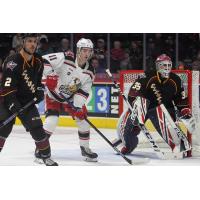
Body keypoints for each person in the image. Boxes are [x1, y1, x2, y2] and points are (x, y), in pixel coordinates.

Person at [117, 54, 193, 155]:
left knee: (166, 120)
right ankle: (128, 144)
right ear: (157, 66)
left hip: (164, 110)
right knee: (129, 128)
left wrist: (184, 109)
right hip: (144, 108)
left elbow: (181, 99)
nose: (166, 68)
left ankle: (177, 145)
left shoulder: (176, 80)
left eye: (168, 65)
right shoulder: (147, 76)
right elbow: (133, 93)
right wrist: (136, 106)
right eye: (163, 65)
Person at [0, 33, 58, 166]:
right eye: (29, 41)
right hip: (8, 99)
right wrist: (13, 105)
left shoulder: (38, 60)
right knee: (3, 130)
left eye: (35, 41)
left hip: (27, 102)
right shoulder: (12, 62)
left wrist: (39, 89)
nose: (33, 44)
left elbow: (38, 81)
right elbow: (7, 88)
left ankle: (46, 157)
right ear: (23, 42)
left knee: (37, 129)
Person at [37, 38, 98, 162]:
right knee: (52, 121)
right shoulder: (66, 57)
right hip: (53, 95)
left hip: (70, 98)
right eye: (84, 50)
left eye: (89, 51)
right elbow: (44, 60)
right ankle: (40, 149)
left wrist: (78, 107)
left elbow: (83, 91)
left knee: (83, 119)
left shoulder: (90, 72)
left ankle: (85, 148)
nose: (87, 54)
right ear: (78, 50)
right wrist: (49, 75)